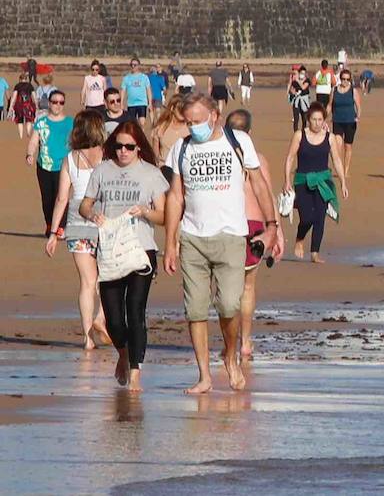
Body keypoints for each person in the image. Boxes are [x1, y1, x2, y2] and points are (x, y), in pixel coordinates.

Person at [164, 92, 279, 394]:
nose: (193, 128)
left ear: (214, 115)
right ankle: (204, 375)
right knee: (196, 310)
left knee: (229, 304)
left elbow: (258, 183)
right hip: (193, 238)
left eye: (198, 121)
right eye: (188, 123)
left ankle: (230, 355)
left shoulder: (237, 141)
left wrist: (272, 226)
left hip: (230, 236)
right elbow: (175, 197)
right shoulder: (181, 147)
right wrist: (171, 242)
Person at [79, 120, 168, 391]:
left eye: (129, 147)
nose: (123, 152)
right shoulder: (102, 171)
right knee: (114, 318)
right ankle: (124, 353)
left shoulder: (151, 173)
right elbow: (84, 204)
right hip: (109, 251)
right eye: (118, 146)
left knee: (136, 309)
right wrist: (92, 214)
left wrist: (146, 211)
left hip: (142, 250)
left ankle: (136, 372)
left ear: (138, 147)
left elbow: (163, 216)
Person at [43, 110, 110, 351]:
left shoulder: (70, 159)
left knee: (87, 282)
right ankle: (101, 318)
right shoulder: (107, 155)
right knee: (108, 277)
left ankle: (88, 338)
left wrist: (53, 234)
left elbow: (62, 198)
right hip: (103, 220)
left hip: (77, 222)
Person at [224, 109, 273, 359]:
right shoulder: (259, 159)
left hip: (227, 224)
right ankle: (245, 341)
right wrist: (275, 231)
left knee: (225, 288)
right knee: (248, 287)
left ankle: (230, 343)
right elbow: (268, 196)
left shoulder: (220, 158)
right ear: (249, 133)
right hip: (253, 223)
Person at [283, 102, 348, 263]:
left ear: (324, 120)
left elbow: (337, 161)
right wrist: (287, 181)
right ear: (308, 119)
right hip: (302, 180)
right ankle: (299, 238)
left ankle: (315, 253)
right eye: (314, 119)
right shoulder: (299, 135)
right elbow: (290, 158)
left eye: (320, 120)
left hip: (323, 181)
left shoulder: (330, 137)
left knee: (320, 217)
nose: (317, 123)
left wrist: (343, 182)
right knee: (307, 217)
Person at [27, 88, 73, 237]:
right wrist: (30, 154)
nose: (57, 105)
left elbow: (78, 142)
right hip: (44, 166)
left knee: (61, 197)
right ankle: (49, 223)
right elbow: (34, 141)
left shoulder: (71, 123)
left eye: (61, 102)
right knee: (47, 198)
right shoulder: (41, 123)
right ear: (49, 103)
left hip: (64, 166)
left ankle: (60, 226)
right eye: (54, 102)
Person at [329, 67, 361, 177]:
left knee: (348, 146)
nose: (345, 81)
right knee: (337, 145)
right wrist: (323, 118)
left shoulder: (353, 91)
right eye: (343, 79)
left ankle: (346, 170)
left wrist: (358, 116)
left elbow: (358, 107)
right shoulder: (334, 90)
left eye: (347, 79)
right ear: (340, 79)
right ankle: (339, 168)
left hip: (350, 122)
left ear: (350, 80)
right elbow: (329, 105)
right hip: (337, 120)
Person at [120, 58, 153, 124]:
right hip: (131, 104)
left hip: (142, 103)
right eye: (131, 65)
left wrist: (150, 103)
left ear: (138, 66)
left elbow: (148, 90)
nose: (133, 66)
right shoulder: (126, 78)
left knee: (142, 123)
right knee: (132, 123)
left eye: (135, 65)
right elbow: (123, 91)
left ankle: (141, 133)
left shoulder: (144, 77)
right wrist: (121, 103)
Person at [12, 71, 36, 138]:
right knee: (29, 120)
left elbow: (14, 97)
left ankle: (21, 136)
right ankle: (28, 133)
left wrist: (11, 106)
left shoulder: (17, 86)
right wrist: (36, 105)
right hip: (28, 105)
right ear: (26, 79)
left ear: (20, 79)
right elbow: (34, 96)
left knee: (20, 121)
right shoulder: (30, 85)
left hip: (19, 106)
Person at [288, 66, 312, 132]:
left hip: (304, 101)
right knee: (296, 119)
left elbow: (304, 87)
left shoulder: (307, 81)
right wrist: (292, 92)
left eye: (303, 73)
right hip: (296, 101)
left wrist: (298, 81)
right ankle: (295, 133)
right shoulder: (294, 81)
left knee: (304, 119)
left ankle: (304, 132)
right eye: (301, 73)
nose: (302, 75)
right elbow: (291, 88)